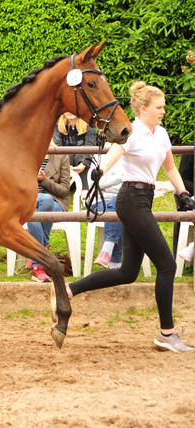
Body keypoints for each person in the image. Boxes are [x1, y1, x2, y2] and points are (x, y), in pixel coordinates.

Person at [68, 81, 194, 353]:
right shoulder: (132, 132)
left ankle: (68, 291)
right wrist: (99, 170)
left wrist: (182, 191)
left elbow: (170, 167)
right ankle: (166, 334)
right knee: (168, 265)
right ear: (144, 109)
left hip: (143, 200)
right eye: (159, 107)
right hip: (131, 199)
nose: (163, 111)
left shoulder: (160, 133)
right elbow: (114, 153)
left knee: (127, 273)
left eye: (163, 106)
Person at [28, 140, 71, 282]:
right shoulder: (26, 153)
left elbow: (64, 191)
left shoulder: (60, 155)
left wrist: (44, 180)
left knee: (45, 201)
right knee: (33, 211)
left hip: (56, 202)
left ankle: (36, 259)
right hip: (29, 201)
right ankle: (42, 256)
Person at [88, 145, 124, 269]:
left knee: (118, 201)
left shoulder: (129, 156)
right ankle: (115, 264)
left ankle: (107, 250)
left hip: (122, 201)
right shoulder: (100, 154)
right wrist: (122, 178)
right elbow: (93, 181)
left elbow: (131, 183)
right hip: (99, 203)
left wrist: (105, 183)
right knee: (118, 205)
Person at [53, 112, 96, 199]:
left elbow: (90, 146)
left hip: (84, 166)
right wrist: (66, 166)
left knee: (80, 154)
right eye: (66, 109)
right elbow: (58, 148)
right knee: (68, 155)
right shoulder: (57, 127)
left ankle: (85, 191)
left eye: (71, 109)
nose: (69, 112)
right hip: (65, 167)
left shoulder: (89, 126)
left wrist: (83, 164)